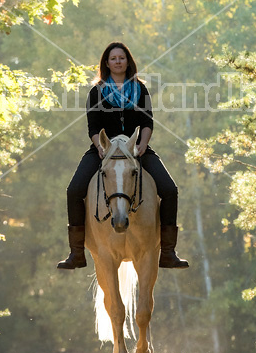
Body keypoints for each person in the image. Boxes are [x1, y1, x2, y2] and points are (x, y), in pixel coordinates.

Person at [57, 41, 189, 270]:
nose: (118, 62)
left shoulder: (141, 89)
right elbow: (93, 126)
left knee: (170, 190)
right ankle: (76, 252)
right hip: (104, 150)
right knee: (74, 190)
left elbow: (147, 122)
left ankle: (168, 252)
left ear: (128, 61)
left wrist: (142, 146)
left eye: (121, 58)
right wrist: (100, 147)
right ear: (106, 63)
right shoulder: (96, 91)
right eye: (113, 58)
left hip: (136, 150)